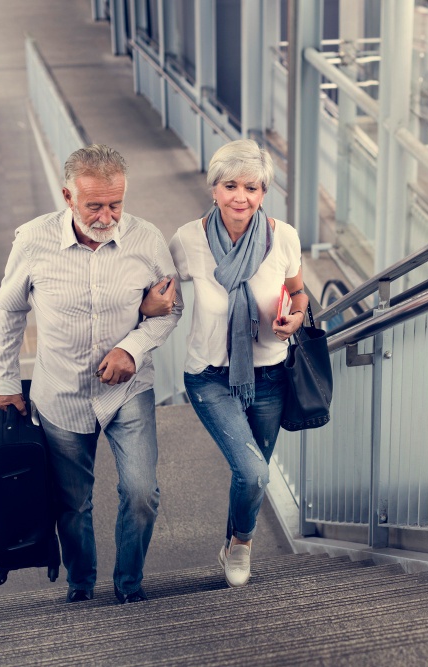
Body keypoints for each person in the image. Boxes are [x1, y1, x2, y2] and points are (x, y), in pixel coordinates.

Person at [0, 144, 181, 604]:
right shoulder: (33, 240)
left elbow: (172, 309)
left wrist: (131, 348)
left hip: (128, 390)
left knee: (141, 492)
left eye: (116, 203)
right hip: (62, 393)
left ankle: (129, 586)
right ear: (68, 196)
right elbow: (7, 312)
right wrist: (6, 382)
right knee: (73, 504)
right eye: (94, 205)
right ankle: (81, 585)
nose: (107, 215)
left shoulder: (147, 239)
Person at [141, 138, 306, 588]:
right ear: (213, 188)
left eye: (252, 187)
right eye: (230, 185)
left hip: (270, 373)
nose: (241, 197)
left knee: (251, 478)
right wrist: (148, 310)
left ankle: (233, 538)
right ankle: (243, 545)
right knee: (254, 470)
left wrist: (295, 316)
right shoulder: (190, 240)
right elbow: (158, 291)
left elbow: (299, 290)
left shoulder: (283, 237)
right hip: (210, 376)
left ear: (263, 192)